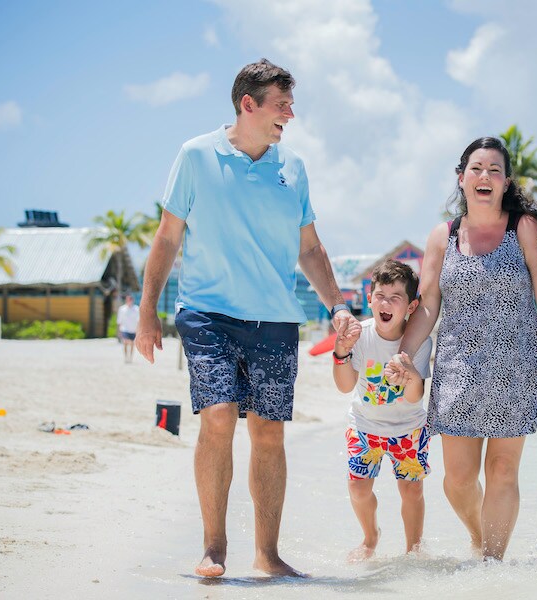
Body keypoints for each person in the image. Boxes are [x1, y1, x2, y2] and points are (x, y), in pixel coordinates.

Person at [135, 58, 359, 578]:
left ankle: (267, 554)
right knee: (217, 417)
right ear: (248, 104)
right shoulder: (195, 155)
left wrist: (338, 305)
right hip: (207, 313)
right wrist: (148, 311)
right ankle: (214, 548)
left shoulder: (293, 168)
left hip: (276, 321)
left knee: (268, 433)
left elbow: (310, 247)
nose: (290, 115)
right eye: (282, 104)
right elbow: (168, 237)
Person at [391, 136, 537, 561]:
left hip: (517, 365)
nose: (485, 176)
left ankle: (491, 567)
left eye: (494, 170)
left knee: (503, 471)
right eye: (476, 169)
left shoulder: (525, 228)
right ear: (462, 178)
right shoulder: (444, 235)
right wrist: (405, 352)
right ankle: (479, 536)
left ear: (506, 181)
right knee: (457, 479)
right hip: (458, 367)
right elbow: (430, 301)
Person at [332, 259, 434, 562]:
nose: (385, 303)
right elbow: (344, 386)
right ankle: (370, 537)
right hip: (365, 426)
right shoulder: (359, 335)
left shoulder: (419, 341)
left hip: (409, 429)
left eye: (395, 298)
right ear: (369, 299)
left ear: (411, 307)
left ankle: (413, 548)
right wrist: (341, 352)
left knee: (411, 492)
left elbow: (416, 398)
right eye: (380, 296)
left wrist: (410, 374)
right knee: (358, 489)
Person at [116, 295, 140, 363]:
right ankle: (126, 357)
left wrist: (137, 330)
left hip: (133, 329)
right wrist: (119, 331)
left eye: (131, 299)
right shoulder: (122, 309)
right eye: (128, 299)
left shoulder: (136, 309)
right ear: (126, 300)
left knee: (132, 344)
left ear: (132, 300)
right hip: (124, 329)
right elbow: (119, 320)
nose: (129, 301)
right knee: (125, 342)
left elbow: (138, 320)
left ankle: (130, 358)